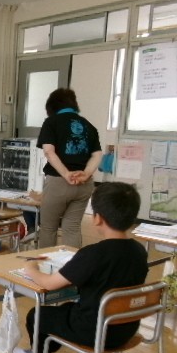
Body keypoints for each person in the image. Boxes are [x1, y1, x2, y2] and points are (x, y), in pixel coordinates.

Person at [13, 182, 148, 353]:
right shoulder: (139, 251)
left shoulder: (93, 254)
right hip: (125, 329)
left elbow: (49, 284)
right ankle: (44, 351)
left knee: (38, 315)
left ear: (97, 218)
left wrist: (30, 268)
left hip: (93, 331)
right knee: (64, 311)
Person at [37, 88, 103, 248]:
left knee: (48, 228)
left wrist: (66, 174)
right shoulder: (88, 125)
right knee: (72, 228)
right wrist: (86, 174)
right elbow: (97, 155)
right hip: (84, 184)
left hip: (58, 182)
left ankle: (45, 263)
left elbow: (49, 151)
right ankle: (73, 263)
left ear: (51, 106)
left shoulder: (51, 122)